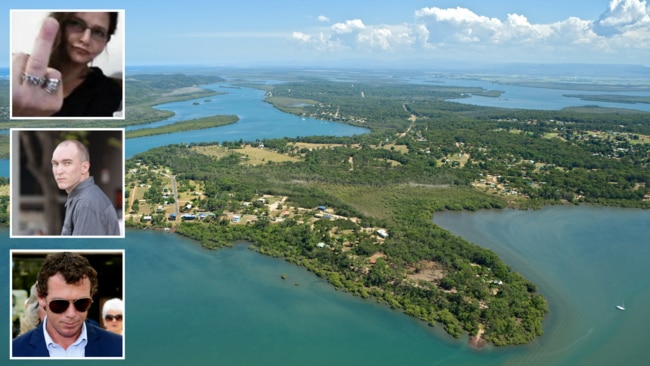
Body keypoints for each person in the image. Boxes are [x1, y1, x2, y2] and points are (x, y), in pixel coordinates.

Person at [12, 252, 122, 358]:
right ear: (41, 298)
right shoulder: (14, 351)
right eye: (60, 304)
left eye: (81, 303)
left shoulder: (119, 347)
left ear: (91, 298)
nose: (71, 314)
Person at [12, 11, 121, 117]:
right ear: (60, 24)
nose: (85, 39)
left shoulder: (107, 91)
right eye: (76, 23)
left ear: (106, 41)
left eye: (98, 32)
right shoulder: (17, 71)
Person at [51, 139, 120, 236]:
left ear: (85, 167)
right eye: (55, 164)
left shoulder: (87, 204)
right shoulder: (81, 199)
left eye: (67, 163)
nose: (59, 171)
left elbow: (81, 250)